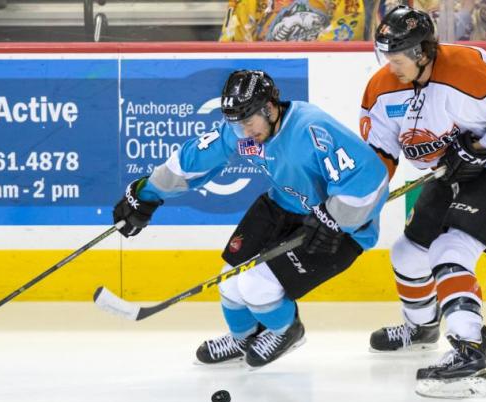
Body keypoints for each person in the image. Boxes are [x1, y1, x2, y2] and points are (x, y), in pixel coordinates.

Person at [113, 70, 389, 368]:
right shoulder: (243, 130)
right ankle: (242, 337)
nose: (243, 131)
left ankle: (286, 330)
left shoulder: (311, 129)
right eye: (236, 123)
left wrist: (338, 219)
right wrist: (147, 192)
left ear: (270, 108)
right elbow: (196, 158)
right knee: (230, 282)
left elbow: (369, 176)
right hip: (281, 206)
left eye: (248, 121)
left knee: (258, 287)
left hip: (336, 227)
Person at [360, 6, 486, 398]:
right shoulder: (381, 88)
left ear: (423, 52)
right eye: (384, 57)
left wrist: (479, 147)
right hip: (449, 172)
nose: (389, 66)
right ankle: (421, 327)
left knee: (449, 250)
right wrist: (361, 201)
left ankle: (469, 351)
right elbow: (382, 156)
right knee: (407, 254)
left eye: (397, 58)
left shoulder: (467, 69)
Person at [219, 0, 366, 41]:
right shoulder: (244, 2)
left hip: (322, 72)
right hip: (262, 73)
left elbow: (349, 29)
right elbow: (233, 42)